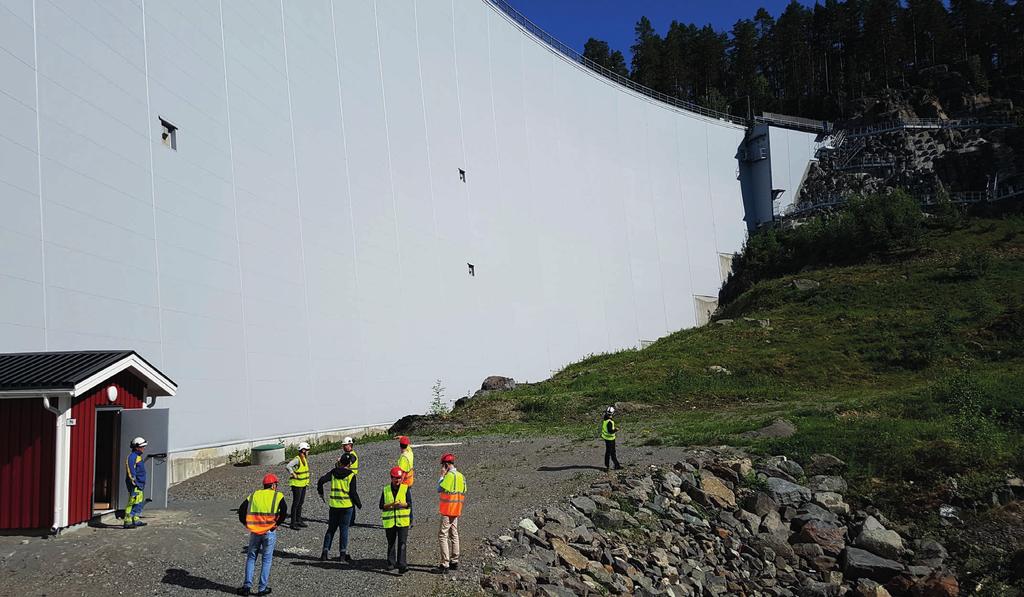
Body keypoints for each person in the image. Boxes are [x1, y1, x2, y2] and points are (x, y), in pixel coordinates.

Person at [237, 473, 287, 596]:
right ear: (274, 485)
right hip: (269, 531)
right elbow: (284, 512)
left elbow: (241, 510)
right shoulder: (278, 496)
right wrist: (276, 524)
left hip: (255, 532)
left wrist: (247, 524)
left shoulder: (254, 495)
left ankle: (247, 587)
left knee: (251, 558)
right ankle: (261, 588)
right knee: (266, 560)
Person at [316, 452, 361, 562]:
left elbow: (321, 480)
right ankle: (342, 555)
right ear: (349, 463)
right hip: (346, 506)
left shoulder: (333, 473)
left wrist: (321, 492)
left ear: (340, 462)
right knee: (344, 530)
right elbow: (353, 493)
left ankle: (325, 553)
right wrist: (358, 504)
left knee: (331, 529)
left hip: (334, 506)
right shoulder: (351, 475)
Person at [436, 453, 466, 574]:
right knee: (454, 534)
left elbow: (439, 488)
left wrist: (442, 476)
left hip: (447, 510)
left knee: (443, 535)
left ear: (446, 465)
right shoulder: (461, 476)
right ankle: (455, 560)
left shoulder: (449, 476)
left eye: (443, 466)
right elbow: (463, 490)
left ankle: (445, 563)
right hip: (457, 509)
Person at [380, 466, 412, 573]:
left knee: (402, 542)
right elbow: (381, 505)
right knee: (391, 542)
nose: (397, 480)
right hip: (390, 521)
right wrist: (392, 505)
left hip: (402, 521)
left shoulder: (405, 488)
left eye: (399, 478)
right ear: (391, 478)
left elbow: (409, 504)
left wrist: (402, 505)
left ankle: (402, 565)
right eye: (395, 478)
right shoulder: (386, 490)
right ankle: (391, 563)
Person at [123, 436, 148, 528]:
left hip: (140, 484)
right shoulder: (132, 457)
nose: (143, 449)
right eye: (142, 447)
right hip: (135, 484)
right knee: (132, 502)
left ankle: (135, 519)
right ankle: (127, 520)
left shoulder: (137, 457)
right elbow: (130, 470)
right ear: (137, 447)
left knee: (138, 501)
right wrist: (133, 481)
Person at [284, 442, 310, 529]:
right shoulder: (297, 459)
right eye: (307, 450)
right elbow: (288, 466)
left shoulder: (304, 459)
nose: (308, 452)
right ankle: (293, 523)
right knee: (296, 503)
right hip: (297, 484)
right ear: (303, 450)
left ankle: (298, 520)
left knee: (300, 503)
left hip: (302, 484)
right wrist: (292, 473)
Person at [341, 437, 358, 525]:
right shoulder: (346, 455)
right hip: (346, 479)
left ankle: (351, 520)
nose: (344, 447)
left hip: (351, 479)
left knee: (351, 498)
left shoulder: (352, 455)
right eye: (343, 446)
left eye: (345, 445)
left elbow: (352, 459)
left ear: (350, 445)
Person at [602, 406, 621, 471]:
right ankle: (611, 466)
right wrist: (615, 430)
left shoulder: (605, 419)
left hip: (607, 438)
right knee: (611, 452)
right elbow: (610, 431)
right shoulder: (609, 422)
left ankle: (613, 465)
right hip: (609, 439)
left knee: (609, 452)